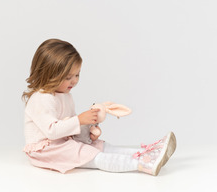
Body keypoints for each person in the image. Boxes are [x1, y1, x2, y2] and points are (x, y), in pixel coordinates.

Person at [22, 38, 176, 175]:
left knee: (99, 145)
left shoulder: (66, 96)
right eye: (68, 77)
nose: (74, 81)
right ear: (49, 75)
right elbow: (52, 131)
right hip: (46, 150)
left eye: (77, 75)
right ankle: (142, 164)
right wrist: (80, 120)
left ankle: (147, 152)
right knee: (93, 155)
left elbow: (70, 130)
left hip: (62, 143)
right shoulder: (41, 99)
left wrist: (87, 133)